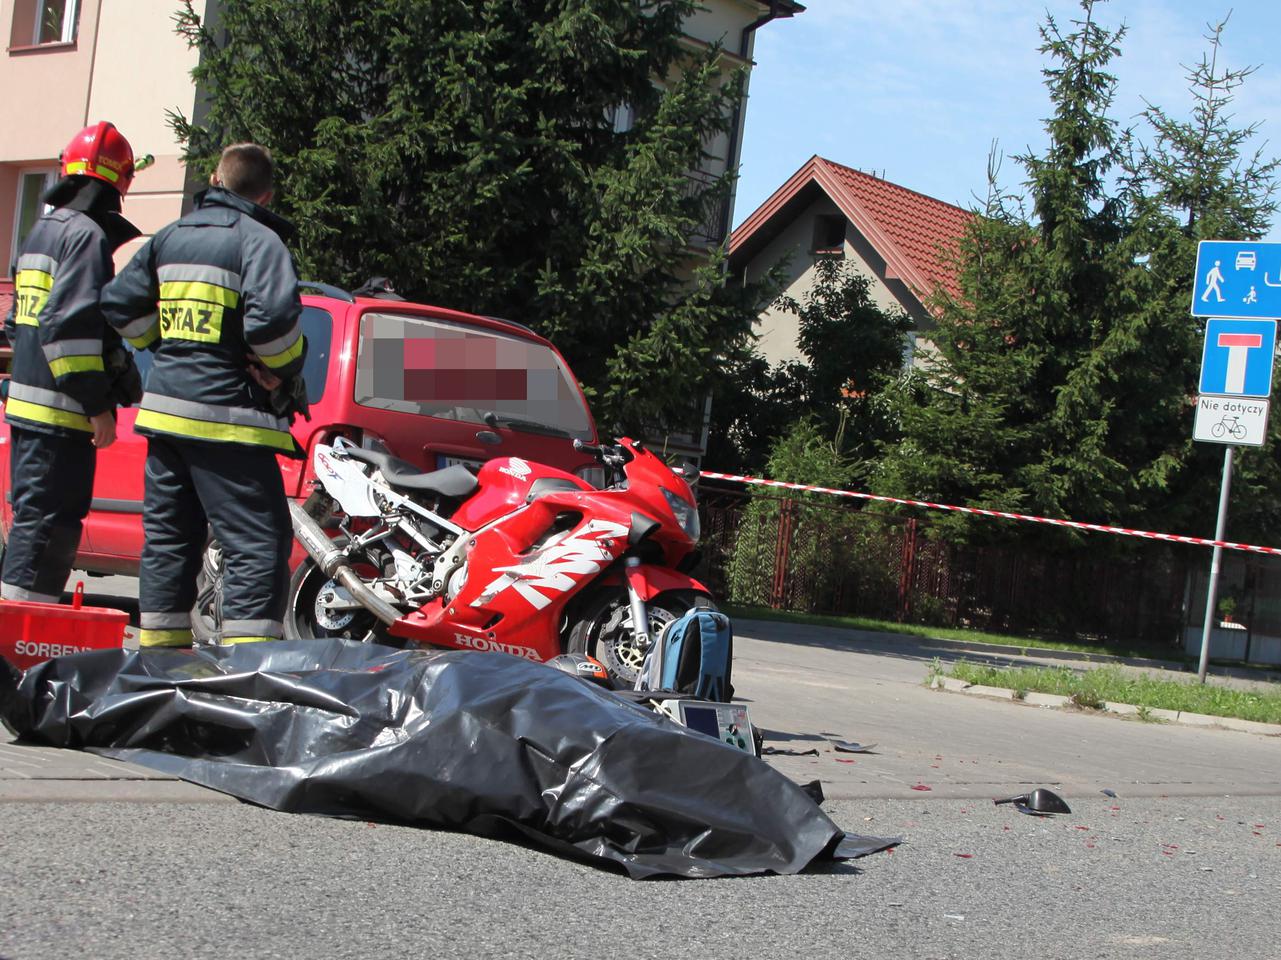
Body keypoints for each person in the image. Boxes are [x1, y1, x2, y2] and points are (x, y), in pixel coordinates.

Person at [101, 143, 307, 648]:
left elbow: (120, 304)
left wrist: (166, 345)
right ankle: (247, 670)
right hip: (229, 420)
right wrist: (280, 369)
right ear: (267, 194)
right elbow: (273, 326)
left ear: (216, 178)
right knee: (256, 542)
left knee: (170, 540)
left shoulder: (170, 236)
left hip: (167, 418)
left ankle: (160, 663)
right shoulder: (260, 242)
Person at [1, 122, 142, 603]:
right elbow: (67, 328)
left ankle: (20, 622)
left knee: (34, 521)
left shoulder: (42, 232)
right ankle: (19, 631)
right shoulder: (86, 237)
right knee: (49, 526)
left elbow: (19, 322)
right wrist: (98, 405)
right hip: (61, 416)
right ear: (118, 182)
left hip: (28, 410)